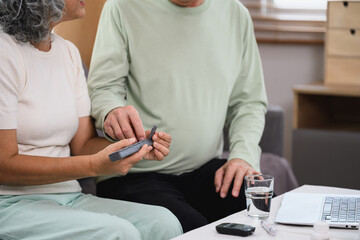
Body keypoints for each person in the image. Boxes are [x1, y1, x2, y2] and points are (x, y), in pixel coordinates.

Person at [0, 0, 183, 239]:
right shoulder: (5, 52)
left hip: (69, 196)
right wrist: (94, 165)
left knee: (164, 223)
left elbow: (83, 145)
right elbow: (4, 165)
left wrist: (133, 147)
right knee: (120, 233)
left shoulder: (68, 53)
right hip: (11, 204)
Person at [88, 0, 268, 233]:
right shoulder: (122, 6)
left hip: (204, 170)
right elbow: (104, 88)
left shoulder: (236, 14)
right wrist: (111, 111)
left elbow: (249, 102)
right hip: (134, 174)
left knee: (262, 206)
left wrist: (243, 156)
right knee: (194, 229)